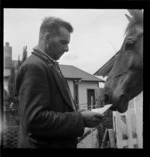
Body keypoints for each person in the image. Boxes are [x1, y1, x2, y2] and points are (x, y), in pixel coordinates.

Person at [15, 16, 104, 148]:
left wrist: (78, 113)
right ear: (47, 37)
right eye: (63, 42)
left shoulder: (49, 64)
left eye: (68, 43)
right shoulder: (34, 67)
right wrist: (80, 119)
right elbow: (34, 119)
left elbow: (56, 108)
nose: (67, 49)